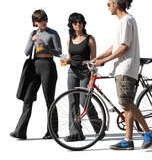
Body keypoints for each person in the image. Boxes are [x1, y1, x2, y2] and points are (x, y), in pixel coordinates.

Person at [91, 0, 152, 150]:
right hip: (122, 68)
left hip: (126, 67)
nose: (108, 7)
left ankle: (147, 132)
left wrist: (104, 61)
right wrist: (98, 57)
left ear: (116, 4)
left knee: (126, 103)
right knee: (127, 105)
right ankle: (129, 139)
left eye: (108, 4)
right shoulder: (122, 22)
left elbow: (124, 47)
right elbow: (115, 46)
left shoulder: (127, 21)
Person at [10, 9, 61, 140]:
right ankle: (20, 131)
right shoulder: (33, 33)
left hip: (48, 66)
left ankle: (52, 132)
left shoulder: (53, 33)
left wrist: (46, 47)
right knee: (27, 99)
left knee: (49, 99)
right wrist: (32, 41)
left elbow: (59, 52)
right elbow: (26, 52)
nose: (43, 22)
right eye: (39, 20)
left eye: (44, 19)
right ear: (35, 22)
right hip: (34, 66)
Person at [62, 12, 105, 142]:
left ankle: (99, 128)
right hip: (72, 72)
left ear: (83, 23)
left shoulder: (90, 39)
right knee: (72, 102)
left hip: (86, 72)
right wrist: (63, 60)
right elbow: (69, 58)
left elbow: (94, 60)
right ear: (71, 24)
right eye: (75, 22)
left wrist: (92, 76)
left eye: (80, 22)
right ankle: (76, 133)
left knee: (83, 100)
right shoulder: (70, 39)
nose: (78, 24)